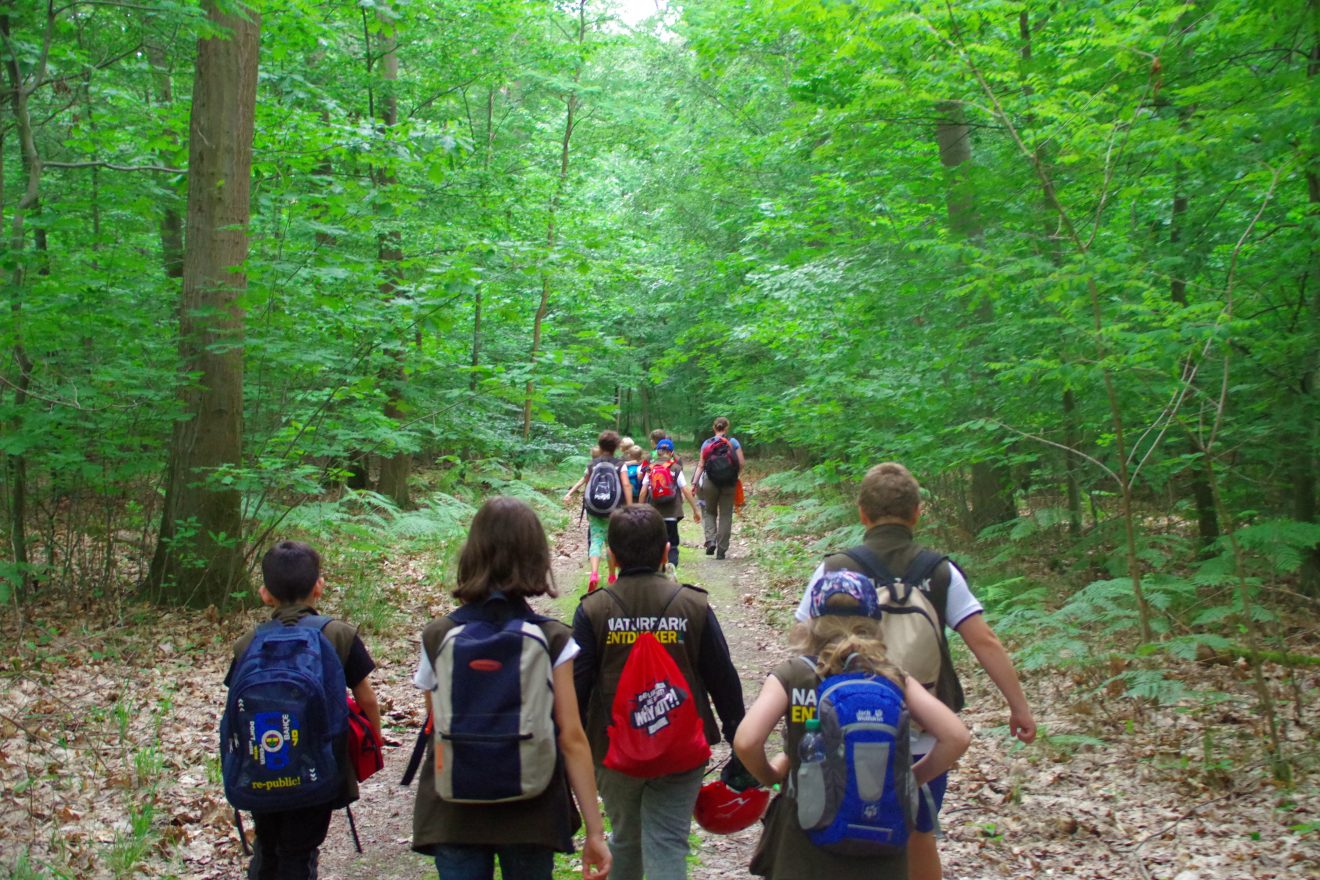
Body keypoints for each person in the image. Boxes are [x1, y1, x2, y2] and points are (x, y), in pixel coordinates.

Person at [793, 462, 1036, 880]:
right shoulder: (939, 570)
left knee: (843, 830)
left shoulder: (835, 568)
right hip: (924, 730)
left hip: (845, 728)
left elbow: (801, 644)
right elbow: (984, 641)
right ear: (917, 513)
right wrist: (1020, 708)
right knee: (919, 834)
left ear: (862, 513)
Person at [411, 497, 612, 880]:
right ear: (536, 557)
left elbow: (437, 723)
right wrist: (595, 831)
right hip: (531, 812)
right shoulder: (553, 639)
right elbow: (572, 737)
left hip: (455, 811)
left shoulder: (438, 636)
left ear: (472, 554)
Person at [735, 572, 971, 880]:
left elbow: (746, 742)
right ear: (874, 622)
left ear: (813, 622)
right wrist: (907, 780)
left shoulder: (794, 675)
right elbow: (956, 737)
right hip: (881, 840)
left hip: (804, 840)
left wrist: (775, 779)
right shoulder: (892, 677)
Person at [572, 505, 747, 880]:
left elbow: (575, 690)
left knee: (624, 840)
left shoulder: (593, 611)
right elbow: (724, 681)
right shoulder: (694, 605)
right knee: (668, 841)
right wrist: (740, 742)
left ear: (612, 557)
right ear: (666, 551)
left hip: (611, 750)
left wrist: (568, 755)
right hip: (680, 750)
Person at [226, 541, 383, 880]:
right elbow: (366, 698)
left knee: (267, 847)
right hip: (319, 768)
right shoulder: (338, 634)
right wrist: (374, 740)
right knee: (299, 853)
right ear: (319, 587)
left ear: (265, 594)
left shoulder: (248, 642)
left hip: (262, 766)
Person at [564, 431, 632, 591]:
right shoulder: (619, 464)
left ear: (600, 445)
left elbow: (585, 483)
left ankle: (594, 574)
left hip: (594, 509)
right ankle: (611, 575)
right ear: (616, 447)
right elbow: (626, 485)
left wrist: (569, 493)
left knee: (596, 539)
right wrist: (630, 507)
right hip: (614, 509)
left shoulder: (592, 464)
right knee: (611, 542)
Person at [638, 438, 701, 571]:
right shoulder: (676, 468)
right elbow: (685, 490)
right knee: (672, 543)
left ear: (657, 452)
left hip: (654, 514)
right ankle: (671, 566)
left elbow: (643, 492)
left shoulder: (650, 469)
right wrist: (695, 509)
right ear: (671, 453)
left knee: (656, 542)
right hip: (672, 513)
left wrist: (639, 509)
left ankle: (659, 568)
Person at [691, 417, 744, 559]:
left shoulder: (707, 443)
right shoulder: (733, 442)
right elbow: (741, 463)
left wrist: (695, 483)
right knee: (726, 514)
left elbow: (701, 465)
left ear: (714, 428)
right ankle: (721, 550)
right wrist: (734, 475)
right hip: (729, 482)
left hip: (710, 481)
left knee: (709, 511)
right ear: (727, 427)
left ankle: (711, 540)